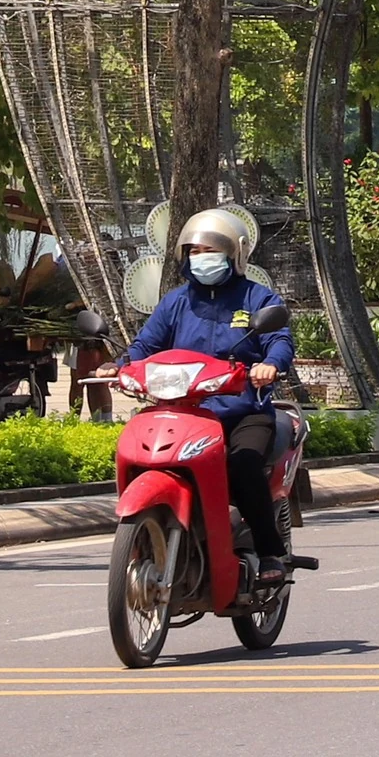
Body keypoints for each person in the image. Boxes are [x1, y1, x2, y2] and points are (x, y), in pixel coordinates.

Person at [117, 211, 298, 584]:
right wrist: (117, 366)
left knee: (243, 466)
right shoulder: (175, 303)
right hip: (185, 412)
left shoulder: (256, 298)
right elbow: (145, 345)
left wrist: (270, 365)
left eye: (211, 249)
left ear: (234, 254)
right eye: (194, 250)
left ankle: (269, 553)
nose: (202, 257)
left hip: (243, 410)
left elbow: (278, 340)